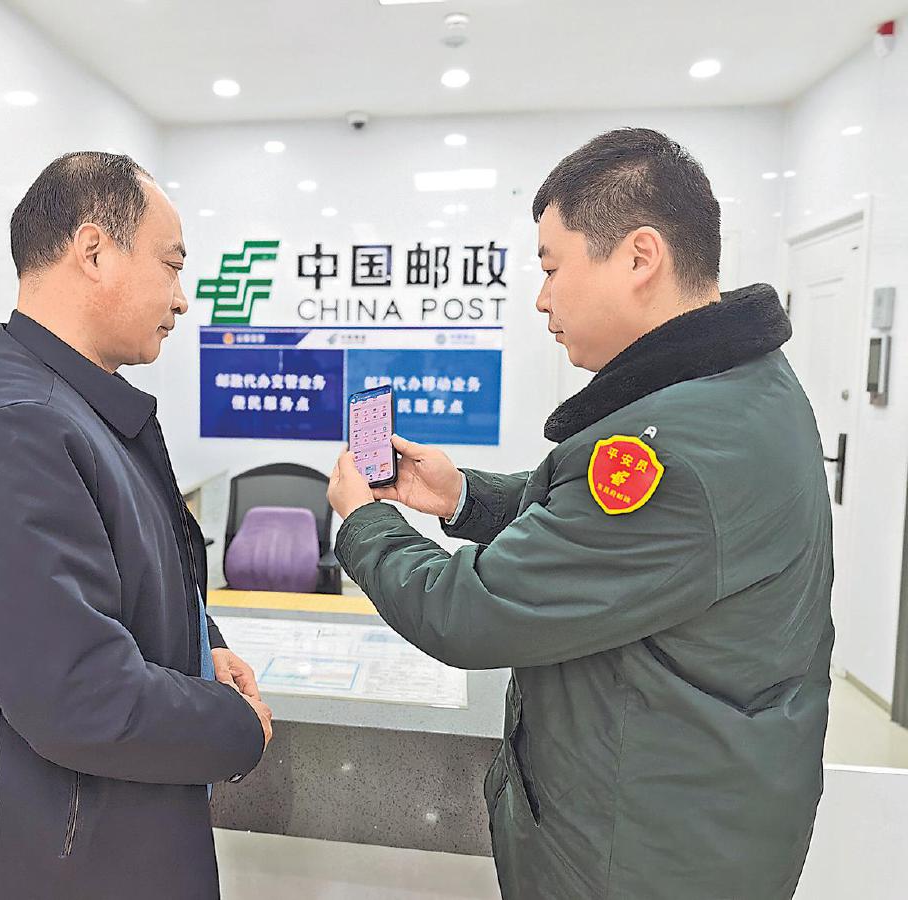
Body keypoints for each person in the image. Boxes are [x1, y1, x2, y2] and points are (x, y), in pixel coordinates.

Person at [327, 128, 833, 900]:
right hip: (696, 819)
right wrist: (462, 496)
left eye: (551, 267)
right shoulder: (742, 388)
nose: (541, 299)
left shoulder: (675, 450)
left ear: (639, 257)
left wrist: (364, 521)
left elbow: (468, 613)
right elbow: (594, 526)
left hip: (639, 858)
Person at [0, 152, 272, 900]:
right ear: (94, 251)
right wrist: (236, 726)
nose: (182, 299)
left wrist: (204, 648)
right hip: (44, 867)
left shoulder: (73, 405)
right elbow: (79, 696)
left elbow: (128, 572)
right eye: (172, 266)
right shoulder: (17, 427)